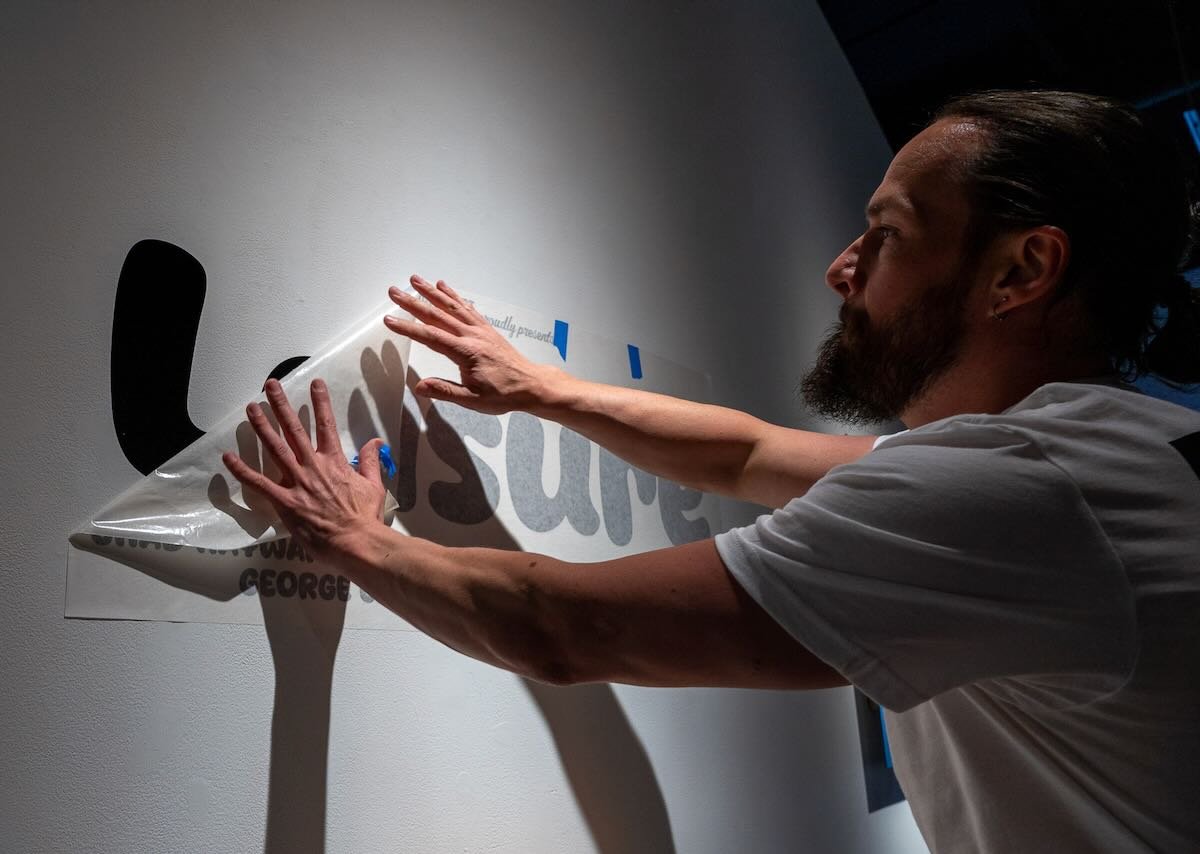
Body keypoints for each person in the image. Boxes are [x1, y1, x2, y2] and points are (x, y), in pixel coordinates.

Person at [223, 91, 1200, 852]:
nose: (842, 266)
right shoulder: (1104, 451)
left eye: (889, 234)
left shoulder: (1022, 492)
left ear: (1021, 270)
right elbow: (750, 454)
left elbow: (563, 627)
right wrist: (545, 389)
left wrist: (355, 538)